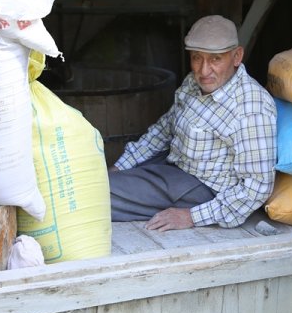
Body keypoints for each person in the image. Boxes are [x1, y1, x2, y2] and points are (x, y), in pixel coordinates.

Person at [108, 15, 277, 231]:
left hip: (205, 188)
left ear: (237, 56)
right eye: (197, 58)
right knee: (103, 178)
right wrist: (120, 166)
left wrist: (192, 216)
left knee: (99, 194)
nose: (204, 70)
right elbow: (163, 131)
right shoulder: (194, 81)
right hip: (175, 165)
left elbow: (257, 187)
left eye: (215, 59)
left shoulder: (251, 108)